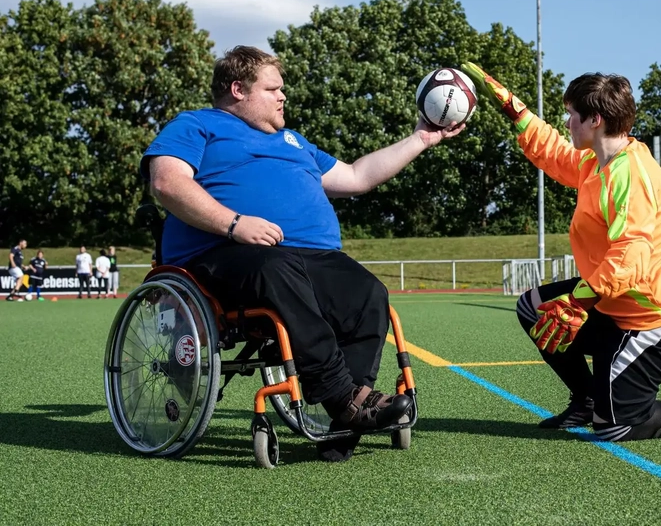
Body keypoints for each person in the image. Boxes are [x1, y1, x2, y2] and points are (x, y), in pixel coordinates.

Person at [141, 45, 464, 462]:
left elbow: (356, 176)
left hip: (308, 258)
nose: (283, 97)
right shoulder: (196, 125)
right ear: (238, 89)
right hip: (224, 253)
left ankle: (350, 410)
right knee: (278, 268)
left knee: (367, 292)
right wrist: (235, 224)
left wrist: (422, 137)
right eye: (273, 89)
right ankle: (344, 400)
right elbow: (167, 183)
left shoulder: (294, 142)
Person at [460, 62, 661, 442]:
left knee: (617, 426)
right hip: (612, 301)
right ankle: (586, 399)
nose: (567, 123)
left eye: (571, 115)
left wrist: (579, 301)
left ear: (595, 120)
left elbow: (630, 255)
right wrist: (517, 113)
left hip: (654, 315)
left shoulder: (632, 175)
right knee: (533, 309)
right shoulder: (595, 162)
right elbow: (553, 153)